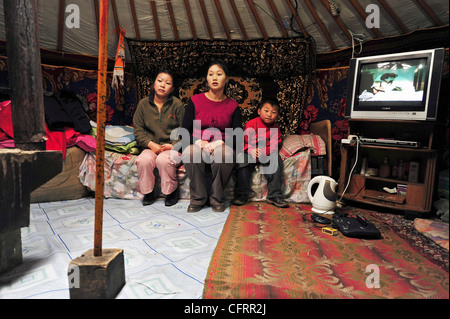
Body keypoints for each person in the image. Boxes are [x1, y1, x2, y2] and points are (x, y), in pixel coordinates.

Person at [180, 61, 242, 213]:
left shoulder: (233, 105)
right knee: (190, 153)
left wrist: (220, 142)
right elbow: (184, 131)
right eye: (211, 74)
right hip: (198, 143)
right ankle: (198, 198)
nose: (214, 77)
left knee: (225, 155)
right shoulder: (195, 101)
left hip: (222, 145)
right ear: (206, 79)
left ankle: (217, 198)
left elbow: (238, 135)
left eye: (219, 74)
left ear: (226, 79)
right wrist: (197, 141)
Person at [133, 69, 185, 206]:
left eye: (167, 83)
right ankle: (148, 192)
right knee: (143, 160)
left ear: (172, 88)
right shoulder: (143, 104)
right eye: (159, 81)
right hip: (151, 146)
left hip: (170, 147)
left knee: (163, 160)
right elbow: (138, 130)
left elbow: (184, 130)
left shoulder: (177, 105)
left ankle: (171, 192)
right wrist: (150, 144)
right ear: (154, 84)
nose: (162, 85)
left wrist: (173, 145)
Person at [233, 100, 289, 208]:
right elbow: (241, 141)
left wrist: (263, 152)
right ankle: (242, 195)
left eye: (273, 112)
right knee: (241, 160)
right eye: (266, 111)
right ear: (259, 111)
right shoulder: (251, 124)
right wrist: (250, 149)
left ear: (277, 115)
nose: (269, 114)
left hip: (265, 153)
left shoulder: (275, 128)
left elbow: (274, 145)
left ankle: (274, 195)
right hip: (249, 152)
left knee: (275, 158)